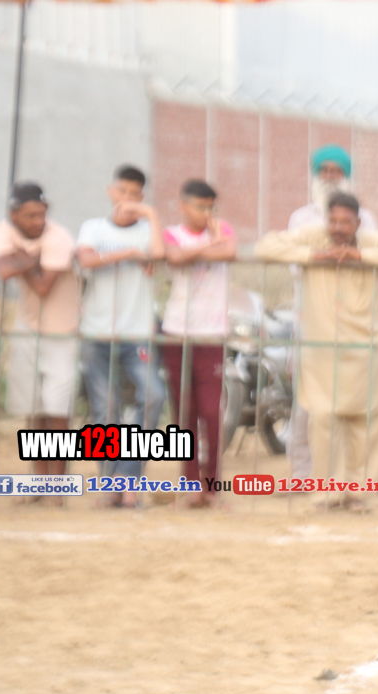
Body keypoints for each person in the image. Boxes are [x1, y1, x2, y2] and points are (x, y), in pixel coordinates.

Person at [255, 193, 378, 511]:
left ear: (358, 222)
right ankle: (326, 493)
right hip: (322, 350)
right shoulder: (313, 237)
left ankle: (357, 493)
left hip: (367, 348)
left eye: (346, 222)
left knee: (366, 421)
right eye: (333, 221)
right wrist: (315, 255)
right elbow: (265, 247)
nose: (338, 227)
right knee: (322, 419)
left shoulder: (370, 241)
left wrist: (361, 257)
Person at [285, 143, 378, 481]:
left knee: (352, 403)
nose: (329, 176)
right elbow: (294, 265)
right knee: (306, 403)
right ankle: (302, 475)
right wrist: (323, 258)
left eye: (336, 171)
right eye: (323, 171)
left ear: (347, 176)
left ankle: (343, 478)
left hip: (354, 325)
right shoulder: (301, 218)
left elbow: (373, 263)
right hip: (311, 323)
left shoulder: (366, 220)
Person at [76, 164, 167, 509]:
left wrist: (151, 215)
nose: (127, 200)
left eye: (135, 195)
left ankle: (128, 479)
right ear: (111, 192)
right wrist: (127, 254)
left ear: (141, 197)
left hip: (137, 332)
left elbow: (159, 255)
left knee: (153, 397)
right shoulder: (93, 227)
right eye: (122, 192)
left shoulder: (147, 231)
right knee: (105, 409)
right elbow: (86, 259)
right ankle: (110, 484)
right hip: (96, 332)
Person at [0, 183, 80, 494]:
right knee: (33, 409)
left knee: (58, 410)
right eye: (30, 216)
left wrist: (20, 260)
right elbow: (3, 272)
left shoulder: (59, 237)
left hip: (63, 332)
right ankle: (39, 482)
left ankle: (58, 484)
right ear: (14, 214)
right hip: (27, 329)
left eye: (42, 214)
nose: (38, 221)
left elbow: (42, 287)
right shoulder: (3, 230)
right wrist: (33, 259)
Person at [161, 180, 237, 508]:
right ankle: (190, 485)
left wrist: (208, 245)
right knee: (184, 413)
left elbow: (229, 251)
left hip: (212, 333)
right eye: (199, 206)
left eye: (210, 207)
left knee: (211, 411)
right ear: (183, 205)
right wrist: (210, 245)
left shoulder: (223, 229)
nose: (206, 213)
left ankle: (211, 486)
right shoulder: (171, 233)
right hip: (177, 331)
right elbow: (175, 257)